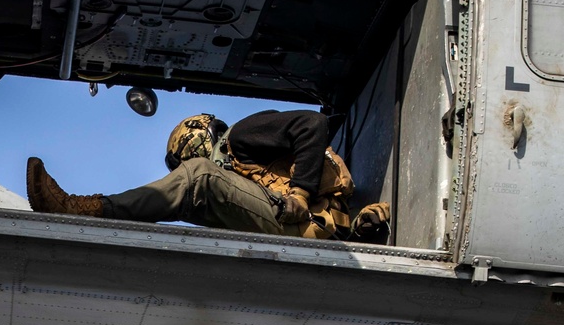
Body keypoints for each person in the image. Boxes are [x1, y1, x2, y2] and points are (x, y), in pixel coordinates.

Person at [27, 108, 390, 243]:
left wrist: (299, 193)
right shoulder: (240, 178)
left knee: (199, 180)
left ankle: (85, 209)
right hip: (315, 228)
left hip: (302, 219)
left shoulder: (243, 138)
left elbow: (313, 123)